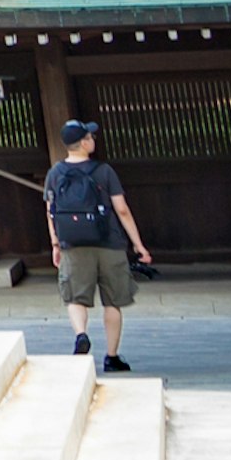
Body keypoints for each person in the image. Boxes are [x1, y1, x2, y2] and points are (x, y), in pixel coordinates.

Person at [43, 118, 153, 377]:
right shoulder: (104, 171)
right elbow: (122, 210)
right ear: (83, 142)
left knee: (74, 296)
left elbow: (50, 212)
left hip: (73, 244)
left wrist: (55, 244)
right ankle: (112, 357)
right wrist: (139, 246)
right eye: (90, 137)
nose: (93, 140)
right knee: (112, 301)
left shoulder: (54, 173)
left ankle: (81, 334)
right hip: (109, 243)